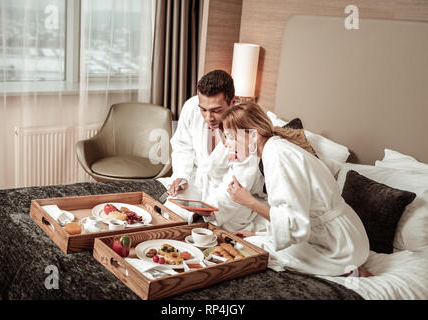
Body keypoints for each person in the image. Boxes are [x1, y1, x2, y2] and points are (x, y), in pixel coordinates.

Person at [221, 102, 371, 276]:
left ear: (253, 136)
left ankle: (346, 270)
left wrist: (249, 202)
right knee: (252, 240)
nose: (227, 144)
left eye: (231, 137)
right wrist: (257, 233)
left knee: (248, 248)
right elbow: (293, 213)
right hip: (343, 235)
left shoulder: (278, 156)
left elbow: (292, 223)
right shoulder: (276, 149)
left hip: (339, 246)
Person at [157, 70, 267, 232]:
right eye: (203, 109)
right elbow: (182, 146)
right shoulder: (191, 107)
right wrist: (182, 175)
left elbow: (239, 181)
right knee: (169, 215)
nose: (208, 117)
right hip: (197, 182)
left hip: (229, 199)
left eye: (216, 110)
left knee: (208, 230)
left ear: (233, 102)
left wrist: (206, 213)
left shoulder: (246, 131)